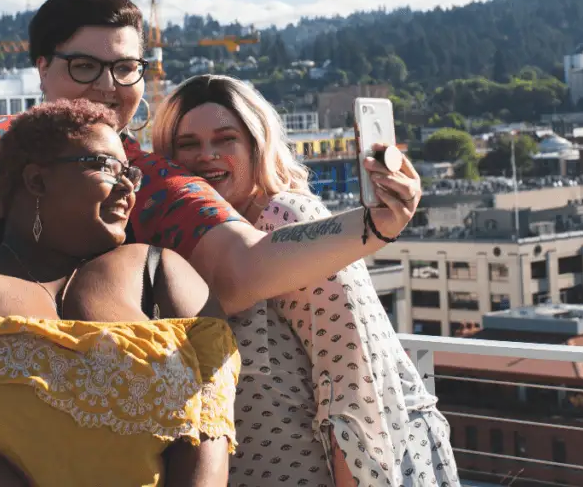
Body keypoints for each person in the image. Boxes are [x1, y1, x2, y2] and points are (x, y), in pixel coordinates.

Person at [0, 0, 422, 486]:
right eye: (85, 65)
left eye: (127, 68)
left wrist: (374, 223)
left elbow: (246, 267)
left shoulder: (143, 179)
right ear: (41, 67)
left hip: (13, 455)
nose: (109, 85)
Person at [0, 98, 240, 486]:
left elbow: (210, 431)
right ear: (37, 180)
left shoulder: (161, 275)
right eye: (107, 166)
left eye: (131, 174)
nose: (128, 186)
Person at [151, 74, 460, 487]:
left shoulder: (286, 217)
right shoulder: (182, 244)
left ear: (257, 146)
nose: (206, 155)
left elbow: (354, 382)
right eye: (188, 144)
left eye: (226, 139)